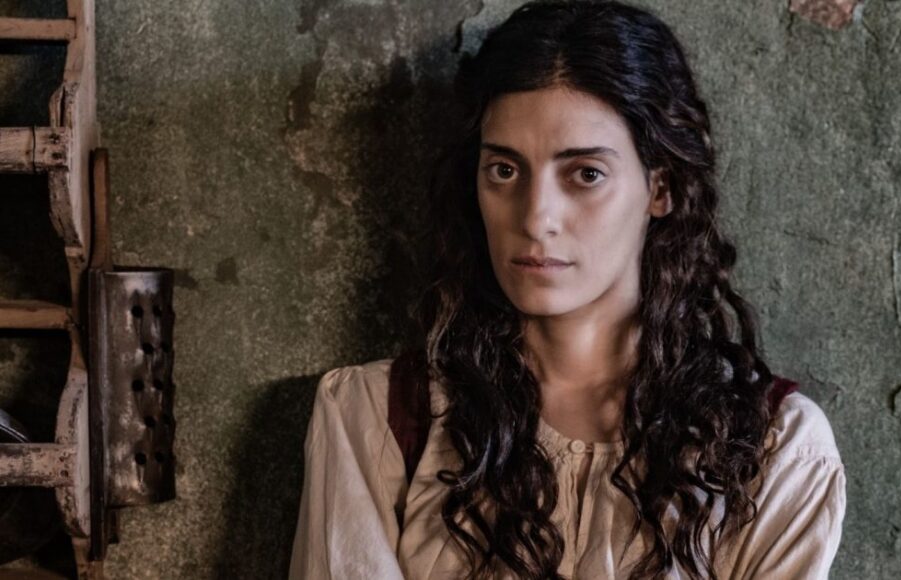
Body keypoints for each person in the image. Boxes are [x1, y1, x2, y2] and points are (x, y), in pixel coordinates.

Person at [288, 1, 846, 578]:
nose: (536, 218)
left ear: (661, 188)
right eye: (504, 170)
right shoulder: (378, 420)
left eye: (586, 174)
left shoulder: (772, 448)